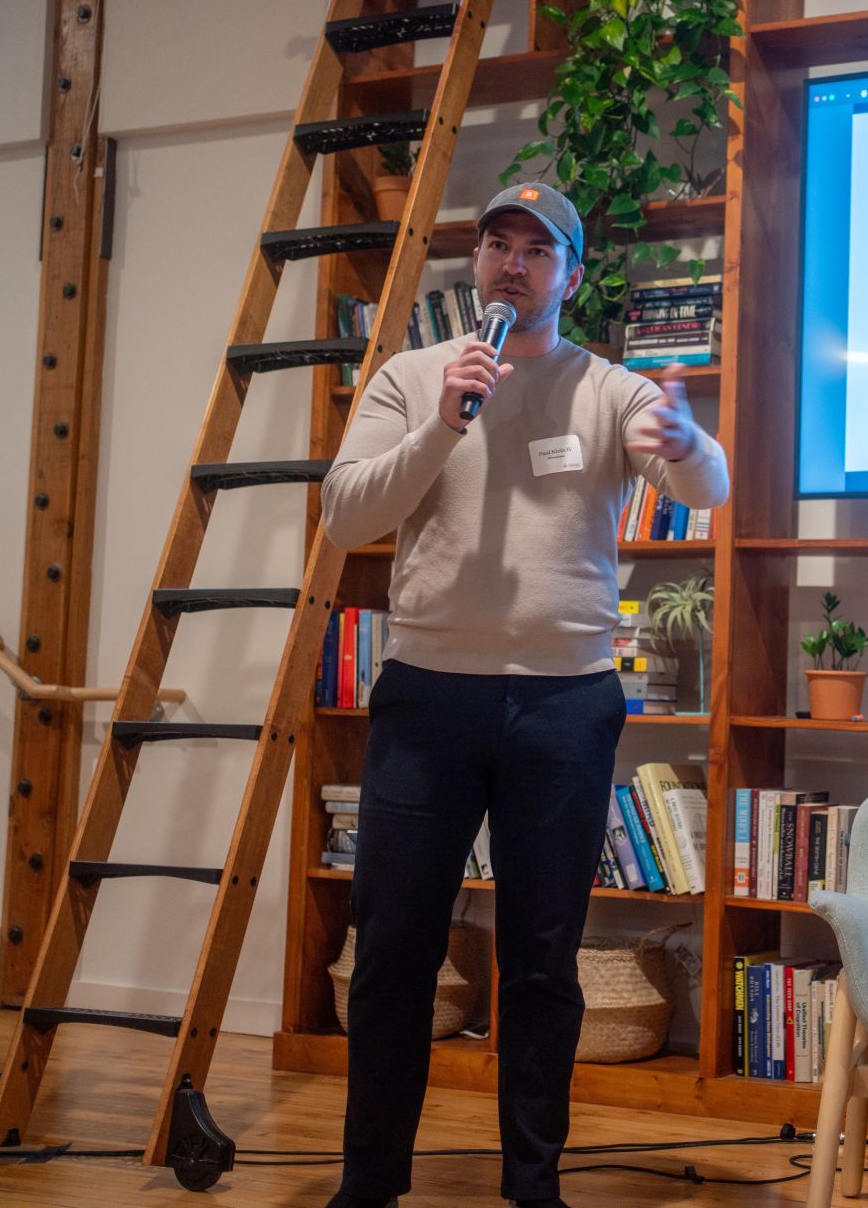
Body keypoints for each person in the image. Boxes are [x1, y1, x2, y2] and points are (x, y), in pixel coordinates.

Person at [317, 180, 729, 1208]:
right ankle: (369, 1184)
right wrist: (442, 427)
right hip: (427, 699)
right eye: (498, 244)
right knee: (393, 953)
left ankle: (532, 1186)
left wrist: (688, 449)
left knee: (542, 960)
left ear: (570, 275)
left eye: (537, 249)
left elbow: (706, 486)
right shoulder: (416, 376)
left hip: (562, 706)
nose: (512, 263)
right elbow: (344, 515)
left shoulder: (609, 388)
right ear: (478, 265)